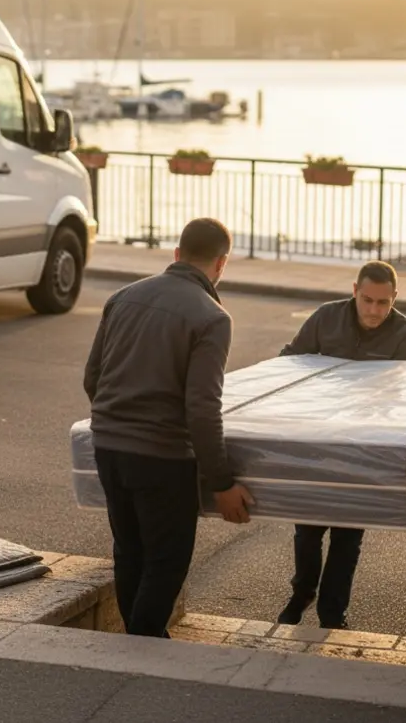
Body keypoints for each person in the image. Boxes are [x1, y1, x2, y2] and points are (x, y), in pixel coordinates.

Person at [83, 217, 255, 638]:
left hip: (107, 447)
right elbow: (201, 406)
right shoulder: (213, 318)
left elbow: (93, 377)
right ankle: (143, 643)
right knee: (167, 558)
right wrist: (222, 481)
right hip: (162, 457)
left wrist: (117, 422)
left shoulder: (123, 297)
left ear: (176, 254)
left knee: (129, 551)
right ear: (221, 264)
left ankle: (138, 637)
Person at [276, 260, 406, 630]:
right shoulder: (325, 317)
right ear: (354, 290)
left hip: (364, 446)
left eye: (383, 303)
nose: (374, 311)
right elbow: (289, 364)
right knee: (307, 530)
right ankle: (303, 591)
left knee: (347, 537)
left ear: (394, 298)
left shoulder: (405, 334)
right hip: (317, 439)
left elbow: (404, 395)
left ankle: (332, 613)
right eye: (367, 300)